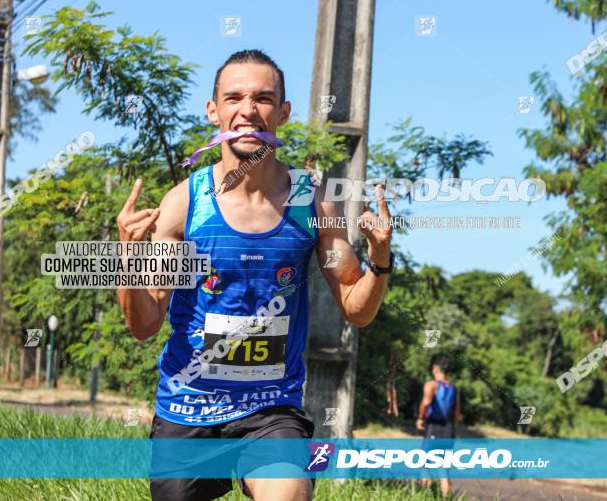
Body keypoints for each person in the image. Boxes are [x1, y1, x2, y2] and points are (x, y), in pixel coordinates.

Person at [115, 49, 395, 501]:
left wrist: (379, 259)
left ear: (282, 113)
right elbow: (144, 324)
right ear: (214, 111)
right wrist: (127, 257)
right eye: (234, 98)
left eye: (264, 98)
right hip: (188, 405)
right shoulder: (185, 204)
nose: (248, 110)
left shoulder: (311, 201)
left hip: (270, 408)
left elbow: (355, 308)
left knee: (288, 493)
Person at [416, 355, 460, 498]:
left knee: (424, 464)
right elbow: (456, 414)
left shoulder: (432, 385)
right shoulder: (454, 389)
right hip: (449, 430)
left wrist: (421, 418)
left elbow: (426, 403)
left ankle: (423, 496)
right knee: (444, 470)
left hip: (434, 427)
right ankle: (446, 498)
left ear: (435, 369)